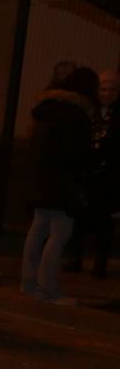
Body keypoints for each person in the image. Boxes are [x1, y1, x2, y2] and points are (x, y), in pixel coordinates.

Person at [21, 67, 98, 304]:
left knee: (38, 230)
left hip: (41, 180)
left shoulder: (48, 110)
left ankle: (29, 282)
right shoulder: (76, 115)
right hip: (63, 184)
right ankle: (48, 288)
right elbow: (77, 154)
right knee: (59, 235)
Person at [65, 69, 119, 277]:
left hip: (108, 175)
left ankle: (100, 263)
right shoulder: (89, 111)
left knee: (104, 222)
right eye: (103, 89)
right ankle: (75, 257)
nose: (107, 94)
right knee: (79, 219)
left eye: (112, 90)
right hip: (87, 174)